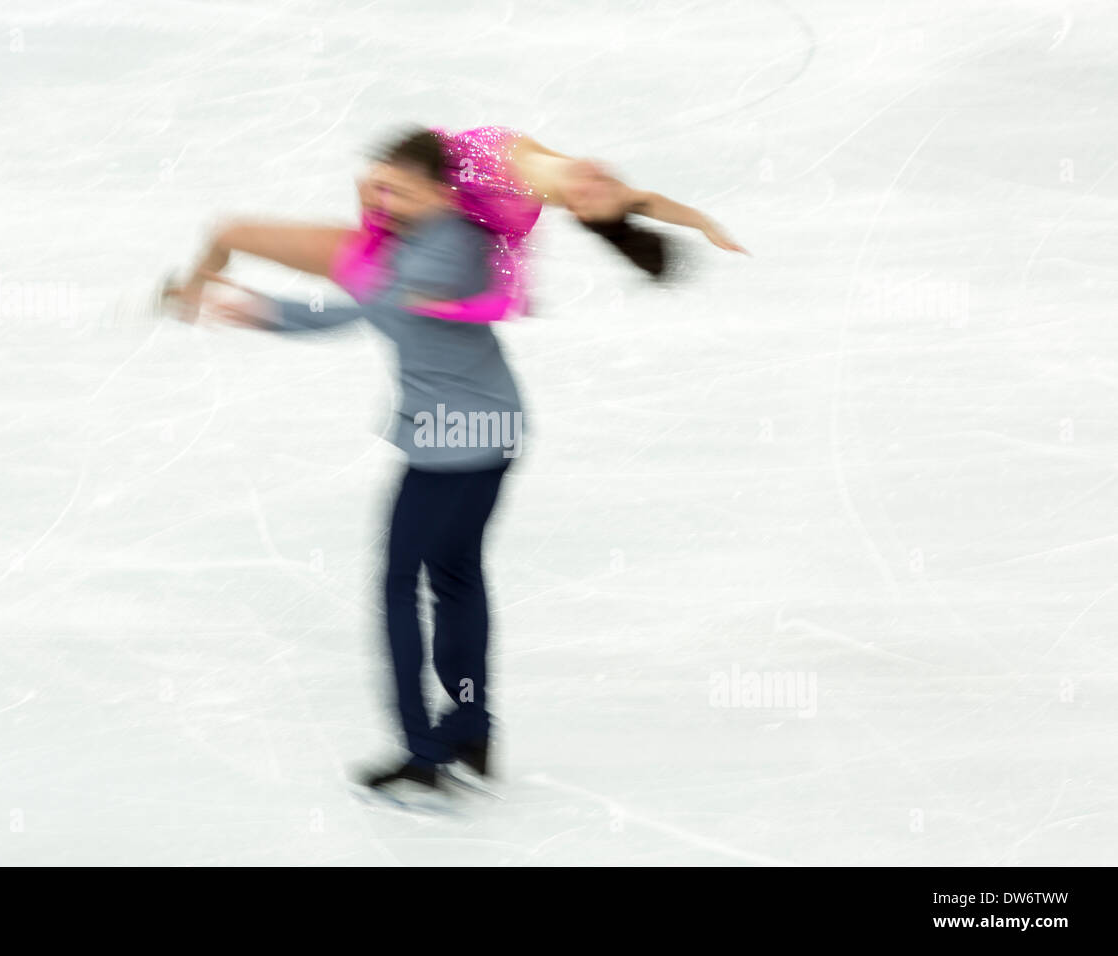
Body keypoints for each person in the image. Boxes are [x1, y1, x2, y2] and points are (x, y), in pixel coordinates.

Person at [165, 130, 521, 807]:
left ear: (442, 192)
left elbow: (363, 309)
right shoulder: (434, 234)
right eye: (380, 185)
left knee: (398, 587)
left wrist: (255, 309)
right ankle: (471, 725)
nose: (385, 199)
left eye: (402, 190)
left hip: (456, 443)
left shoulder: (443, 249)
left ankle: (423, 751)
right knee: (455, 576)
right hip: (487, 427)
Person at [168, 125, 749, 326]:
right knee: (226, 232)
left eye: (591, 198)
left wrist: (440, 301)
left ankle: (230, 303)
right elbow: (646, 202)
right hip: (390, 214)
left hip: (392, 255)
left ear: (576, 213)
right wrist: (702, 222)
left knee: (238, 233)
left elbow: (506, 296)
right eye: (606, 183)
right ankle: (192, 291)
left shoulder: (514, 218)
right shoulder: (581, 176)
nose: (595, 181)